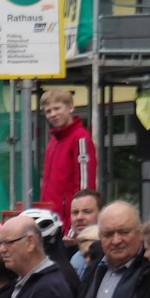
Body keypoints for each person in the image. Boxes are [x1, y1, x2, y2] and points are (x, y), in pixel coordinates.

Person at [39, 89, 97, 229]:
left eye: (57, 108)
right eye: (48, 111)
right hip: (51, 220)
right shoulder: (54, 140)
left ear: (70, 108)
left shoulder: (80, 138)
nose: (53, 114)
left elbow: (84, 187)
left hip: (67, 225)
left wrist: (74, 229)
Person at [67, 190, 103, 273]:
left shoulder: (111, 255)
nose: (79, 217)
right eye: (75, 212)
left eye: (87, 212)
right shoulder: (75, 259)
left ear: (102, 214)